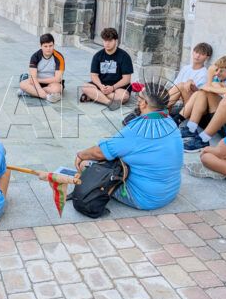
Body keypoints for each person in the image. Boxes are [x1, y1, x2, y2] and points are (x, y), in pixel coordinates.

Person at [74, 82, 183, 210]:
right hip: (170, 191)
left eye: (139, 97)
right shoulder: (170, 121)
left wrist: (80, 155)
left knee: (86, 163)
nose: (137, 100)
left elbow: (99, 152)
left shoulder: (138, 128)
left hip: (144, 198)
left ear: (144, 104)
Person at [177, 55, 226, 140]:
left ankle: (180, 121)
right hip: (207, 117)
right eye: (216, 70)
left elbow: (209, 88)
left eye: (221, 71)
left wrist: (210, 76)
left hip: (219, 123)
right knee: (200, 93)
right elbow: (204, 89)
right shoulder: (217, 80)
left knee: (206, 90)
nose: (217, 73)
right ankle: (189, 127)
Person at [80, 27, 134, 109]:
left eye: (110, 41)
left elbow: (126, 79)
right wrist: (100, 86)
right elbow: (94, 75)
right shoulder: (98, 56)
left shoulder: (124, 56)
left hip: (118, 86)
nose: (107, 43)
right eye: (105, 41)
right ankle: (108, 102)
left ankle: (95, 96)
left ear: (116, 41)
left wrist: (112, 87)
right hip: (102, 85)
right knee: (85, 87)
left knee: (124, 97)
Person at [18, 33, 65, 103]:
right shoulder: (35, 56)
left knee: (57, 89)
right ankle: (48, 96)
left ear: (53, 45)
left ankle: (29, 92)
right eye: (45, 46)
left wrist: (38, 81)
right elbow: (33, 77)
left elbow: (57, 79)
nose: (48, 49)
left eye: (50, 46)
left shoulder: (59, 57)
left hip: (52, 82)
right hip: (36, 82)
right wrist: (40, 90)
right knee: (22, 84)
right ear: (41, 46)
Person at [168, 42, 213, 109]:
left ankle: (160, 108)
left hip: (191, 103)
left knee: (182, 85)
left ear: (207, 57)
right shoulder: (185, 68)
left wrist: (189, 85)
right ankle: (162, 109)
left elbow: (199, 94)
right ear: (193, 52)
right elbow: (174, 86)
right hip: (177, 99)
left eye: (202, 54)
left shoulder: (204, 74)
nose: (197, 55)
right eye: (196, 52)